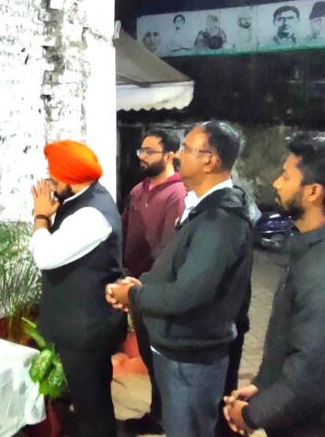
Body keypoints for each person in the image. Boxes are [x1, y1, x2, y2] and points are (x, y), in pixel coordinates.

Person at [223, 133, 325, 437]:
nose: (276, 183)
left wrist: (253, 415)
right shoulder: (316, 243)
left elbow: (311, 375)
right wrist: (263, 386)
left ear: (313, 192)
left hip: (322, 426)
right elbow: (294, 338)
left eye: (286, 176)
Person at [107, 121, 254, 437]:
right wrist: (143, 286)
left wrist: (134, 296)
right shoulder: (201, 206)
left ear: (209, 160)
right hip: (179, 342)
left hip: (192, 352)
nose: (179, 155)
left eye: (186, 149)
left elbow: (189, 293)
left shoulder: (219, 220)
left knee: (188, 427)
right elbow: (177, 266)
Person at [29, 141, 126, 437]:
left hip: (87, 330)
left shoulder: (91, 215)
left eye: (54, 180)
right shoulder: (81, 200)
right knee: (90, 402)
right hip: (81, 325)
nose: (50, 186)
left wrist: (41, 217)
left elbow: (45, 256)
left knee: (92, 409)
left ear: (73, 180)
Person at [121, 129, 186, 433]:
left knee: (161, 358)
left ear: (170, 156)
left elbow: (169, 248)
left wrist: (146, 282)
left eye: (150, 151)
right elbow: (124, 231)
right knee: (148, 355)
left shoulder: (177, 194)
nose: (142, 157)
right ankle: (157, 412)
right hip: (135, 287)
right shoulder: (138, 191)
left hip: (156, 289)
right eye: (141, 151)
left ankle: (167, 417)